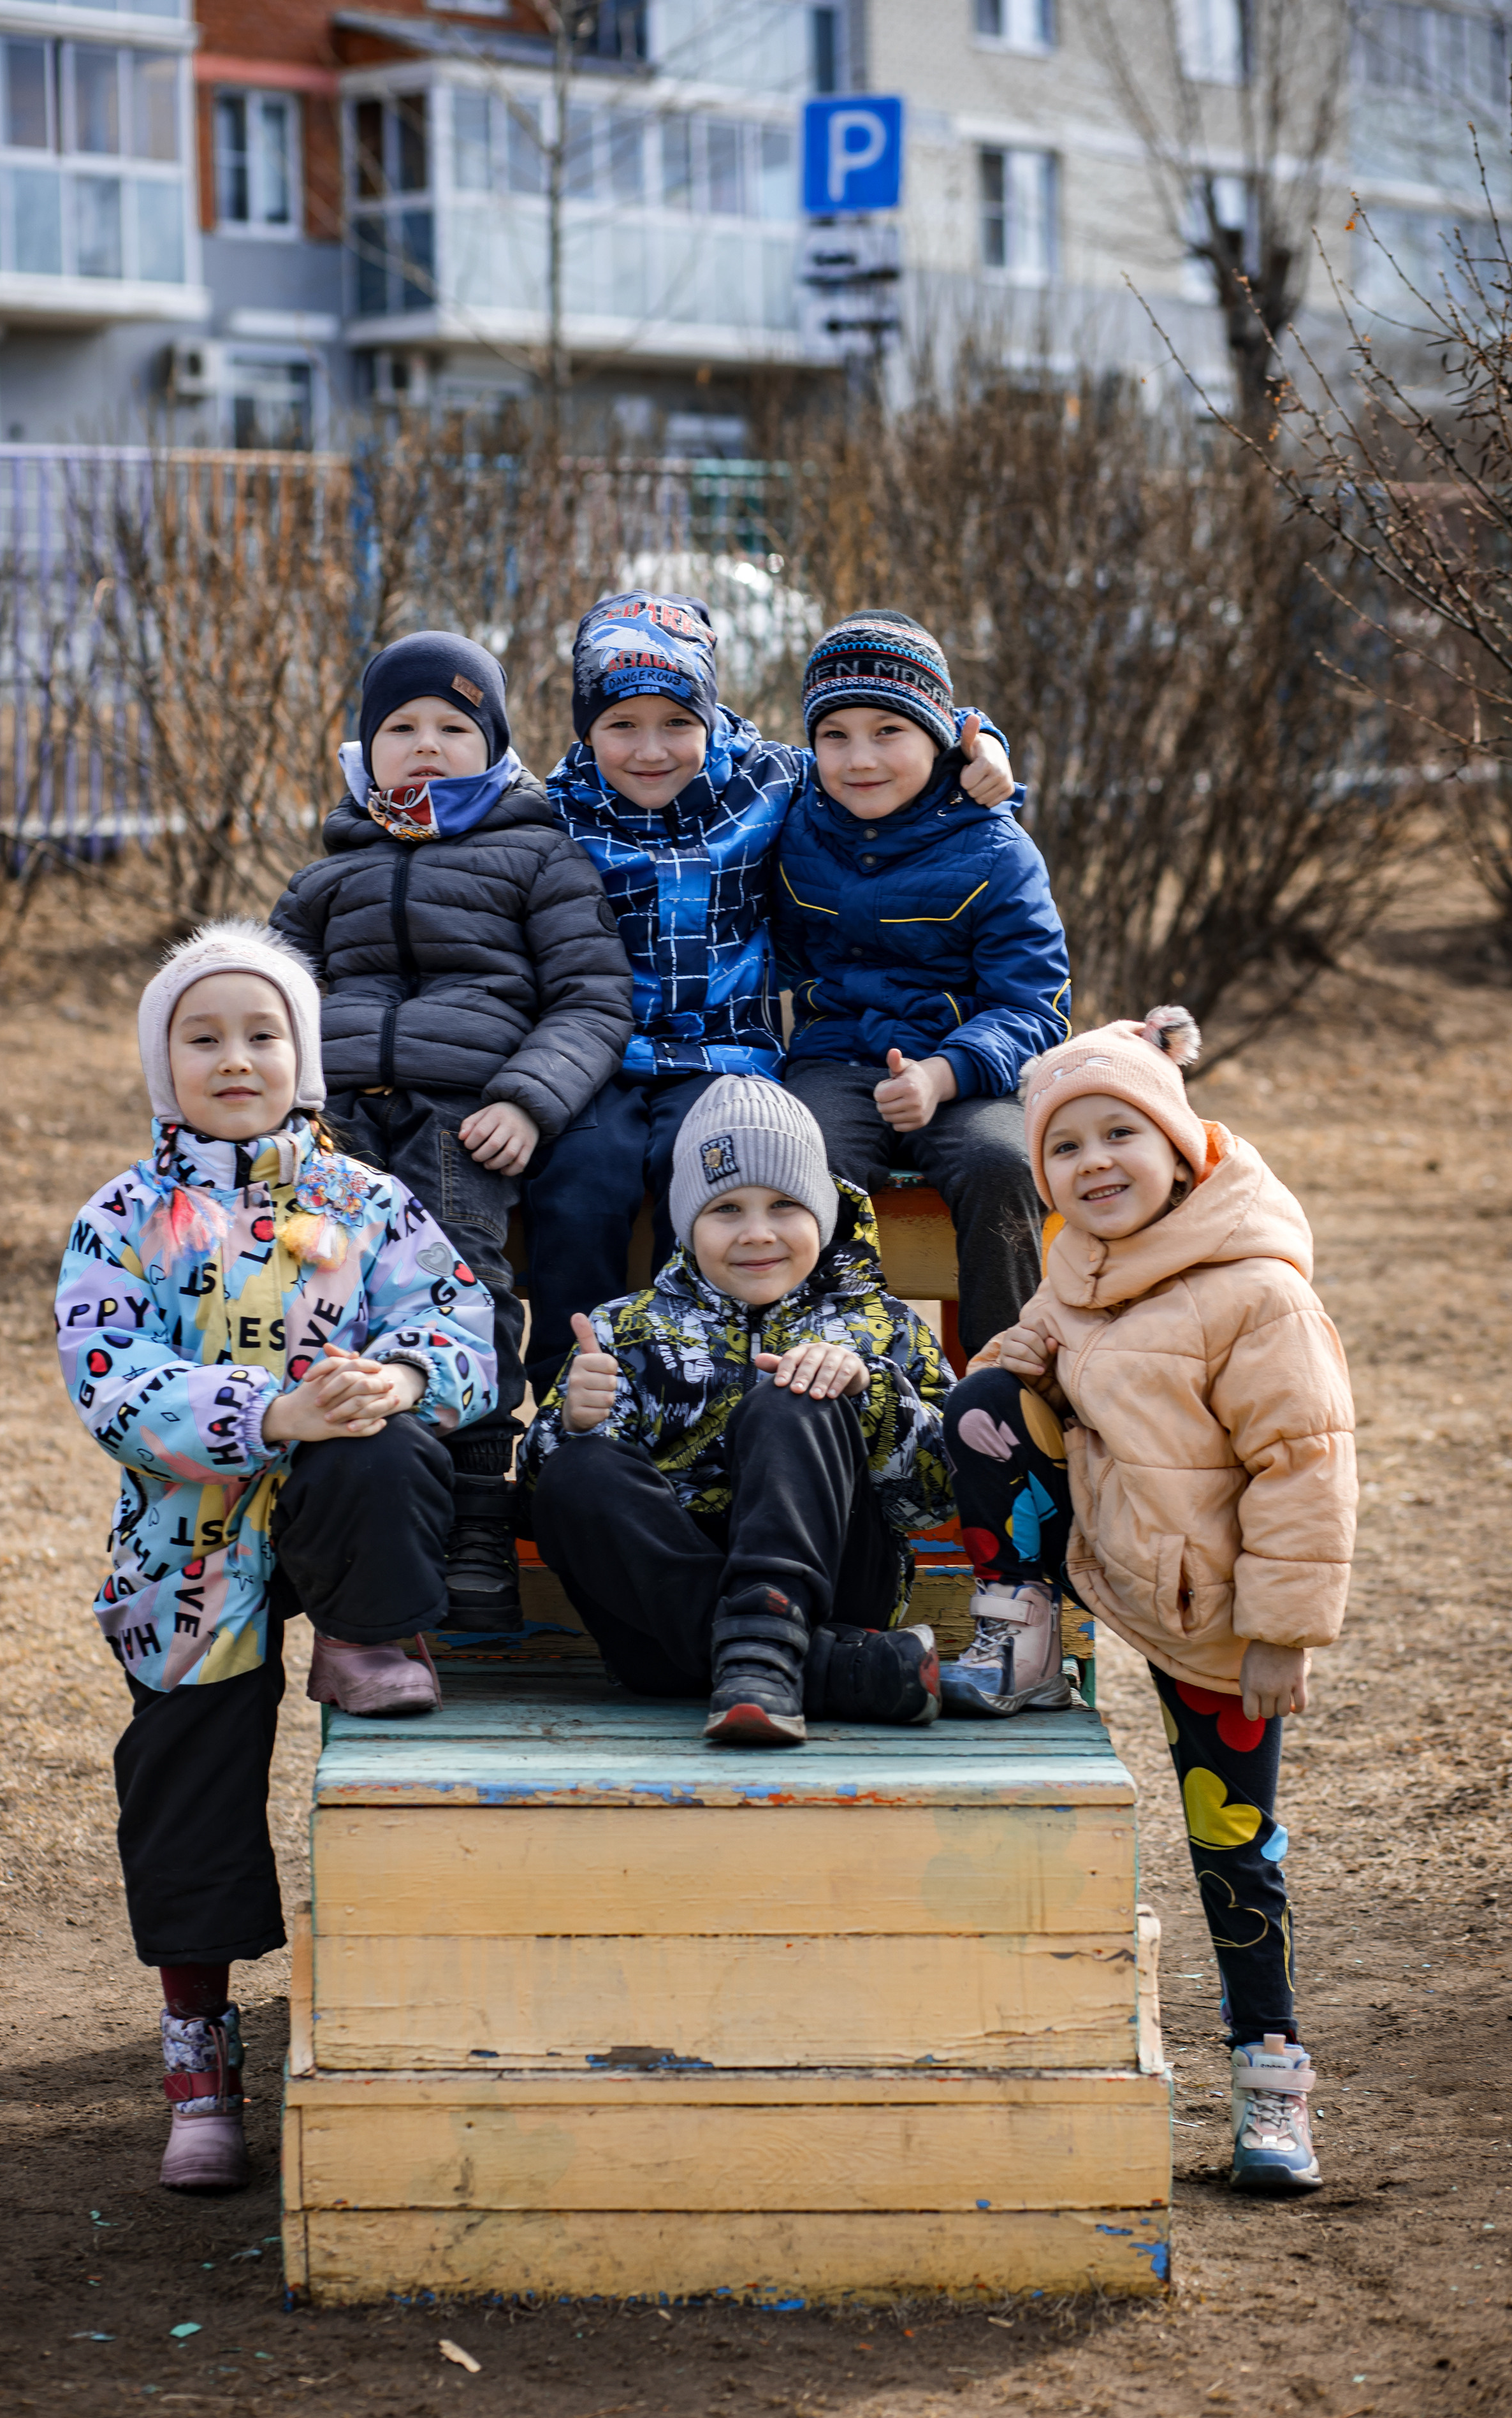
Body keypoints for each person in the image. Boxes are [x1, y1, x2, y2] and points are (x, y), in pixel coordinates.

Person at [55, 920, 498, 2194]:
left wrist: (397, 1371)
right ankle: (198, 2041)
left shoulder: (366, 1201)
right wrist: (262, 1413)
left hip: (335, 1515)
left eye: (262, 1034)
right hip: (191, 1549)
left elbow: (459, 1321)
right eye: (204, 1037)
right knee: (184, 1776)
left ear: (301, 1058)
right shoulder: (124, 1219)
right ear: (166, 1066)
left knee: (380, 1444)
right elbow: (110, 1379)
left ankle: (367, 1637)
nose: (234, 1056)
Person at [941, 1006, 1356, 2192]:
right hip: (1105, 1548)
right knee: (977, 1401)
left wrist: (1282, 1631)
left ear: (1180, 1147)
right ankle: (1015, 1637)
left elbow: (1304, 1461)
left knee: (1233, 1846)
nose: (1093, 1165)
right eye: (1063, 1150)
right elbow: (1032, 1345)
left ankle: (1268, 2082)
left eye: (1120, 1133)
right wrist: (975, 1381)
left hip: (1213, 1614)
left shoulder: (1255, 1295)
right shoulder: (1078, 1261)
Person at [522, 590, 1015, 1401]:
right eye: (620, 726)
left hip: (726, 1060)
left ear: (712, 717)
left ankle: (701, 1392)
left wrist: (982, 742)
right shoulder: (553, 811)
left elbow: (882, 728)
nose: (651, 750)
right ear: (585, 731)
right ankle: (574, 1397)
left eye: (677, 722)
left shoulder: (768, 779)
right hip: (597, 1058)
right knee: (582, 1174)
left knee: (711, 1172)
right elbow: (462, 793)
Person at [271, 630, 632, 1635]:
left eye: (451, 726)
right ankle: (342, 1489)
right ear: (363, 746)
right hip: (332, 1115)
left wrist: (526, 1098)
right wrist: (281, 1106)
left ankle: (477, 1506)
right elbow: (269, 1003)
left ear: (495, 744)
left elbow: (593, 998)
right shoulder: (324, 876)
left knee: (462, 1279)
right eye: (400, 727)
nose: (425, 745)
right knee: (312, 1275)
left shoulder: (535, 854)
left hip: (463, 1109)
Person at [521, 1075, 956, 1747]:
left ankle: (770, 1643)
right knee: (578, 1471)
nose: (758, 1233)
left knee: (794, 1395)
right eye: (726, 1209)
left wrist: (868, 1394)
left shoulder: (881, 1326)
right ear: (687, 1220)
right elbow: (557, 1507)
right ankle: (817, 1667)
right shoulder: (625, 1329)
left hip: (833, 1582)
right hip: (662, 1619)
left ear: (825, 1211)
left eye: (785, 1204)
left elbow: (938, 1494)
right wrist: (573, 1424)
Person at [775, 608, 1072, 1365]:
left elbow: (1033, 1005)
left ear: (939, 738)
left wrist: (946, 1072)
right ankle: (825, 1368)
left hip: (968, 1070)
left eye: (888, 731)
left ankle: (1006, 1378)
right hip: (836, 1061)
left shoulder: (996, 846)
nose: (859, 758)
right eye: (834, 735)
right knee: (796, 1159)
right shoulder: (793, 818)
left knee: (1000, 1163)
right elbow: (708, 740)